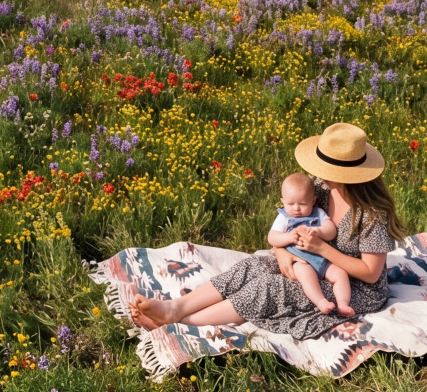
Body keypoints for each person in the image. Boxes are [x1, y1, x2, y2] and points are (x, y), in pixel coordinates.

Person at [126, 122, 403, 338]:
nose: (318, 173)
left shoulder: (371, 214)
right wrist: (282, 252)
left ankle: (179, 324)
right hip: (311, 260)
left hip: (355, 287)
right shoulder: (320, 190)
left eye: (325, 168)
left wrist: (322, 249)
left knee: (271, 288)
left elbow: (371, 273)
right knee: (253, 266)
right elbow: (287, 227)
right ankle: (175, 308)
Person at [268, 172, 352, 317]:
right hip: (300, 261)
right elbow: (272, 237)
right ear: (283, 201)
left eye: (302, 204)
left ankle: (343, 303)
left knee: (340, 274)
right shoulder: (284, 217)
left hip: (322, 259)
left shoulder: (318, 213)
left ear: (313, 201)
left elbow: (331, 230)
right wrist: (288, 237)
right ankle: (321, 302)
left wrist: (318, 231)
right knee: (306, 276)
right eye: (290, 204)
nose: (296, 209)